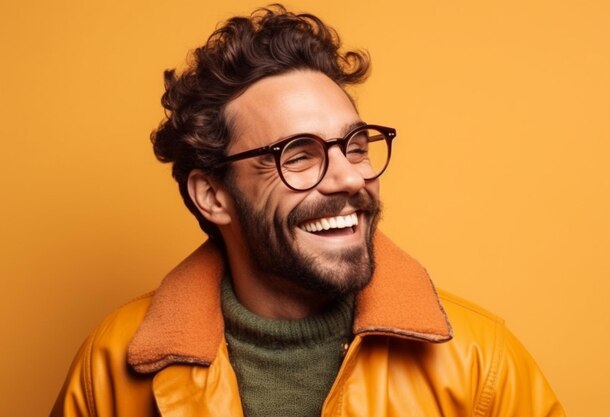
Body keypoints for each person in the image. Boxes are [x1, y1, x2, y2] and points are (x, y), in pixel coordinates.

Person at [50, 4, 565, 417]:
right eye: (298, 155)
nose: (349, 177)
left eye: (356, 145)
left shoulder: (482, 363)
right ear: (213, 196)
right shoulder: (111, 367)